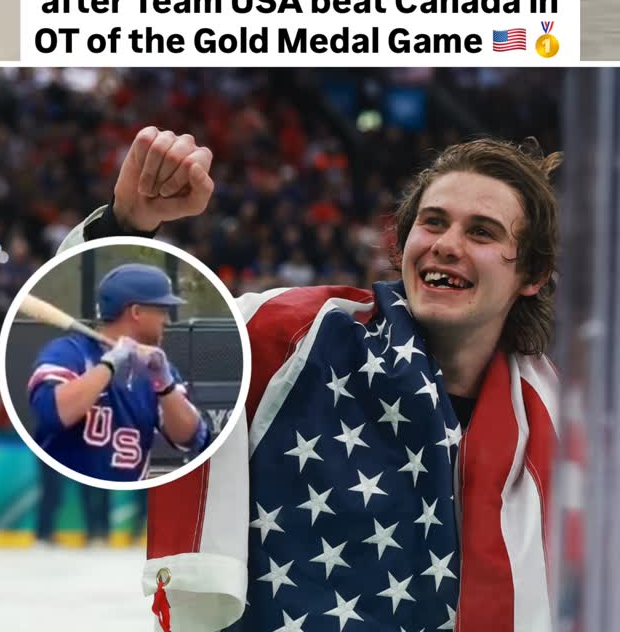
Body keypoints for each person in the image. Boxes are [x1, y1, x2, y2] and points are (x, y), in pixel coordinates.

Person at [61, 128, 560, 632]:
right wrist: (126, 224)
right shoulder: (288, 337)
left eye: (482, 232)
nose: (447, 245)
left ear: (533, 274)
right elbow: (100, 355)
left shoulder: (558, 423)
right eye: (433, 223)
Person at [28, 257, 211, 482]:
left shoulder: (158, 370)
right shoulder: (70, 352)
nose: (167, 321)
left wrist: (164, 385)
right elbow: (52, 413)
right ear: (136, 312)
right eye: (162, 310)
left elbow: (191, 437)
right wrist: (110, 363)